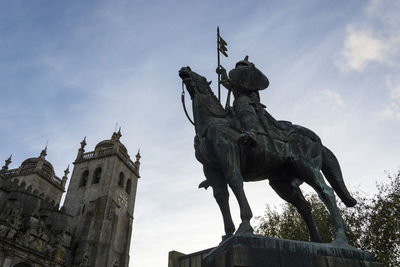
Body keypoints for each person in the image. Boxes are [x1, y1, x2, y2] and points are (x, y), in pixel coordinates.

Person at [217, 56, 269, 146]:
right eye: (238, 68)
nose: (239, 69)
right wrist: (223, 73)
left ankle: (252, 132)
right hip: (237, 102)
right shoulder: (236, 82)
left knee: (244, 108)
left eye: (241, 67)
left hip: (247, 100)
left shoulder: (251, 81)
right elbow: (227, 84)